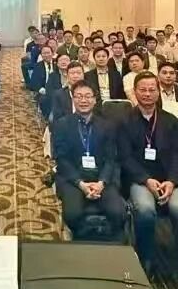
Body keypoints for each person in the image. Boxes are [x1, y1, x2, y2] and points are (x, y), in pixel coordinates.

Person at [118, 72, 178, 289]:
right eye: (143, 90)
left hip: (170, 181)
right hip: (141, 181)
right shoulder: (124, 121)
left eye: (151, 89)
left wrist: (172, 181)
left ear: (158, 92)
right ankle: (146, 260)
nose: (147, 94)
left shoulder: (171, 120)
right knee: (145, 211)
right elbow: (124, 158)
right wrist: (147, 180)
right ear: (135, 92)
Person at [51, 82, 126, 242]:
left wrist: (101, 183)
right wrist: (81, 184)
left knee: (118, 212)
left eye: (87, 96)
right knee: (72, 214)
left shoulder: (107, 126)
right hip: (74, 179)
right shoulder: (61, 125)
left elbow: (111, 158)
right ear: (73, 99)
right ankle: (84, 245)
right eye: (78, 97)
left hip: (101, 179)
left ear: (94, 100)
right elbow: (62, 159)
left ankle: (109, 245)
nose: (83, 100)